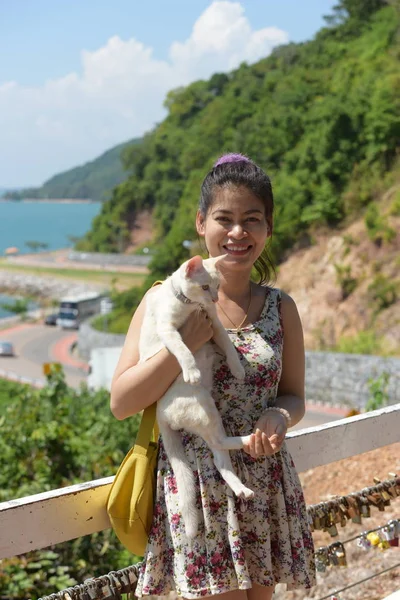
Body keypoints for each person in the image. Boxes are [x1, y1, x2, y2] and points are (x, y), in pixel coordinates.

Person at [110, 153, 316, 599]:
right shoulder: (162, 301)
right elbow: (122, 402)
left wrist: (280, 416)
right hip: (197, 487)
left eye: (252, 219)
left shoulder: (282, 308)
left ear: (268, 228)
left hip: (263, 484)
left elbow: (295, 396)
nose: (238, 232)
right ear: (201, 222)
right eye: (225, 218)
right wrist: (181, 342)